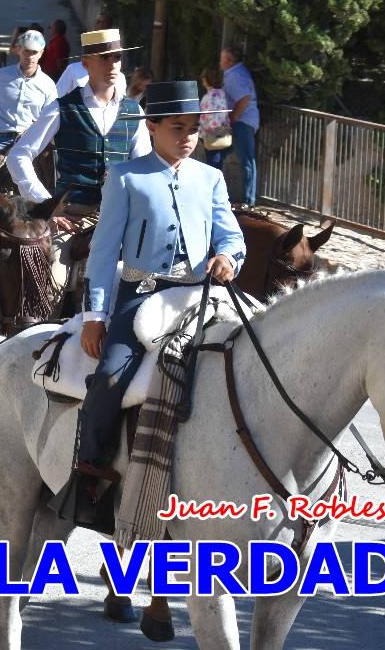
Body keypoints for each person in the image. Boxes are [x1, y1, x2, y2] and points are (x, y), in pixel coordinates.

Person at [62, 79, 245, 524]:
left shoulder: (211, 178)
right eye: (177, 128)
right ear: (153, 127)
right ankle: (89, 474)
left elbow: (232, 236)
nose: (187, 137)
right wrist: (95, 316)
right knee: (110, 377)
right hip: (139, 294)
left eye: (193, 129)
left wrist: (227, 257)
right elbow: (104, 252)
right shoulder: (126, 177)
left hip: (200, 293)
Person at [6, 28, 150, 220]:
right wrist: (47, 204)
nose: (112, 64)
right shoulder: (61, 108)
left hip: (121, 216)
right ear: (85, 62)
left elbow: (144, 166)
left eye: (117, 57)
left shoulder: (134, 111)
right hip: (71, 216)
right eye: (104, 58)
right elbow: (18, 156)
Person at [0, 30, 57, 164]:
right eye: (26, 51)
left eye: (34, 52)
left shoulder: (48, 84)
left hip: (30, 142)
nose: (30, 56)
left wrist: (35, 132)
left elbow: (52, 118)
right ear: (19, 49)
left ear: (41, 53)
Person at [220, 44, 259, 204]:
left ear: (229, 60)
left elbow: (245, 98)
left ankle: (248, 201)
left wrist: (234, 117)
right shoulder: (237, 72)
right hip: (242, 121)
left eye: (222, 58)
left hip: (242, 121)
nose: (220, 62)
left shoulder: (234, 75)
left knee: (247, 159)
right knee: (220, 154)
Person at [55, 13, 112, 96]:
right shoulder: (74, 69)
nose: (98, 24)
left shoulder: (117, 75)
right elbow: (56, 96)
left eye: (117, 57)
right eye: (98, 22)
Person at [199, 65, 231, 170]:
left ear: (207, 80)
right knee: (218, 161)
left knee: (213, 163)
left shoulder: (209, 97)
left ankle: (214, 180)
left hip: (211, 134)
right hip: (223, 131)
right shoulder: (222, 94)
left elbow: (206, 116)